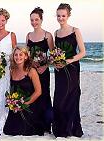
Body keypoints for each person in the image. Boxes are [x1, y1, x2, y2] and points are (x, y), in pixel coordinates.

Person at [52, 3, 86, 138]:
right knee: (60, 98)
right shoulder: (56, 33)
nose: (61, 18)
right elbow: (56, 52)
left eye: (63, 16)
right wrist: (55, 62)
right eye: (59, 16)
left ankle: (71, 129)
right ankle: (60, 129)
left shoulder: (75, 30)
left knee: (71, 97)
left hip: (72, 69)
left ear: (68, 16)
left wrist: (69, 60)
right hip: (59, 71)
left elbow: (83, 52)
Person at [26, 7, 54, 134]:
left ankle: (46, 125)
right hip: (32, 72)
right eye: (32, 20)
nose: (34, 22)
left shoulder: (47, 35)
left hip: (43, 72)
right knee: (33, 95)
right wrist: (32, 65)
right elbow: (27, 56)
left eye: (36, 19)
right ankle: (34, 123)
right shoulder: (28, 36)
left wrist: (45, 66)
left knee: (44, 96)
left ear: (41, 20)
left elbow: (54, 55)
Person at [3, 46, 43, 136]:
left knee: (27, 130)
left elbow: (38, 91)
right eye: (16, 55)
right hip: (15, 107)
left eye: (21, 54)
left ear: (26, 56)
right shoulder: (11, 71)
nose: (18, 57)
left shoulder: (31, 71)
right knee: (9, 131)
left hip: (29, 106)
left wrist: (24, 104)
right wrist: (13, 103)